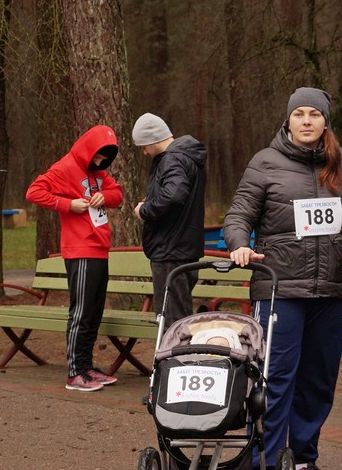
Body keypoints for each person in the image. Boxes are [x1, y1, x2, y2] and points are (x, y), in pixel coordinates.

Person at [224, 87, 342, 470]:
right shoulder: (265, 162)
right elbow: (239, 214)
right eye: (299, 114)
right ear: (288, 120)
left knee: (318, 379)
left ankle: (303, 462)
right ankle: (259, 468)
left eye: (315, 114)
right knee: (273, 379)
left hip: (333, 290)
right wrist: (239, 243)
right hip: (279, 289)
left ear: (326, 122)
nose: (307, 121)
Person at [26, 125, 124, 392]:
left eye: (105, 158)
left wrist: (106, 195)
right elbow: (34, 192)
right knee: (80, 312)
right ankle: (74, 373)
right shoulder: (64, 168)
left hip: (99, 248)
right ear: (88, 149)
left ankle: (87, 367)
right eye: (98, 156)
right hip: (79, 249)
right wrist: (68, 204)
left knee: (94, 312)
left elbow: (118, 194)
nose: (101, 162)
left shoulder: (99, 173)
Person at [131, 113, 207, 329]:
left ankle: (175, 362)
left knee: (172, 321)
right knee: (180, 314)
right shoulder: (189, 157)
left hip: (170, 250)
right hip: (184, 248)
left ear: (152, 139)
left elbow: (173, 196)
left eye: (143, 146)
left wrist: (145, 209)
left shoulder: (172, 158)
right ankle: (178, 360)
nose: (143, 152)